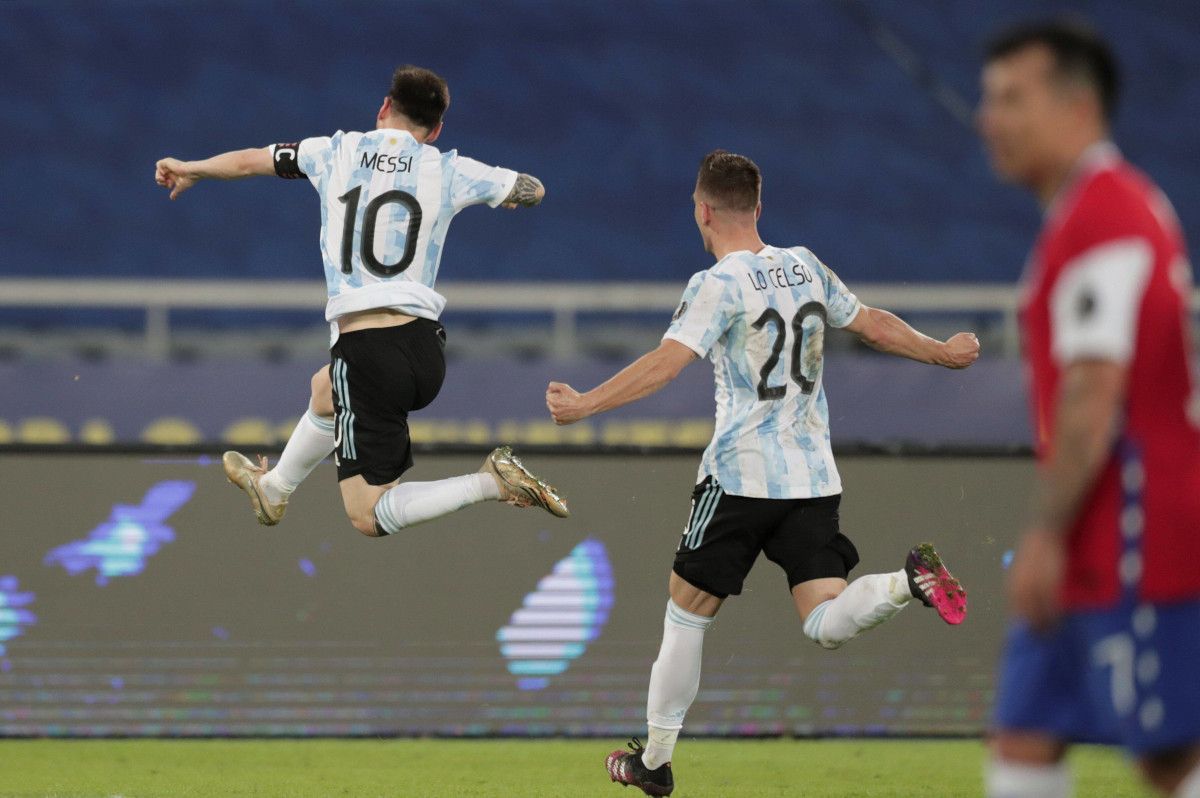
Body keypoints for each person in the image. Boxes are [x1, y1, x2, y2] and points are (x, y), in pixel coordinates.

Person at [545, 150, 979, 796]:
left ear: (703, 211)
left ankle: (656, 763)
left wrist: (585, 404)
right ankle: (903, 582)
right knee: (824, 620)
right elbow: (874, 325)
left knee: (686, 614)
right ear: (759, 207)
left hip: (739, 478)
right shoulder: (804, 265)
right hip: (812, 479)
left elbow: (667, 365)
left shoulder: (716, 284)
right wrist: (941, 353)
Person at [155, 65, 568, 538]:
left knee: (368, 515)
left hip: (367, 349)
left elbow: (252, 159)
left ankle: (489, 482)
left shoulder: (335, 150)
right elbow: (533, 189)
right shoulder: (448, 167)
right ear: (434, 130)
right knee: (326, 391)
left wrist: (192, 169)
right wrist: (511, 195)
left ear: (383, 108)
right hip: (425, 349)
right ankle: (273, 490)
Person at [978, 21, 1200, 798]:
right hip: (1096, 539)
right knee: (1025, 737)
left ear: (1078, 107)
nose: (990, 119)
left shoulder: (1107, 215)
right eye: (988, 99)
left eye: (1012, 98)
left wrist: (1044, 533)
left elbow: (1094, 391)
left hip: (1137, 537)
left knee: (1170, 759)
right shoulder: (1090, 214)